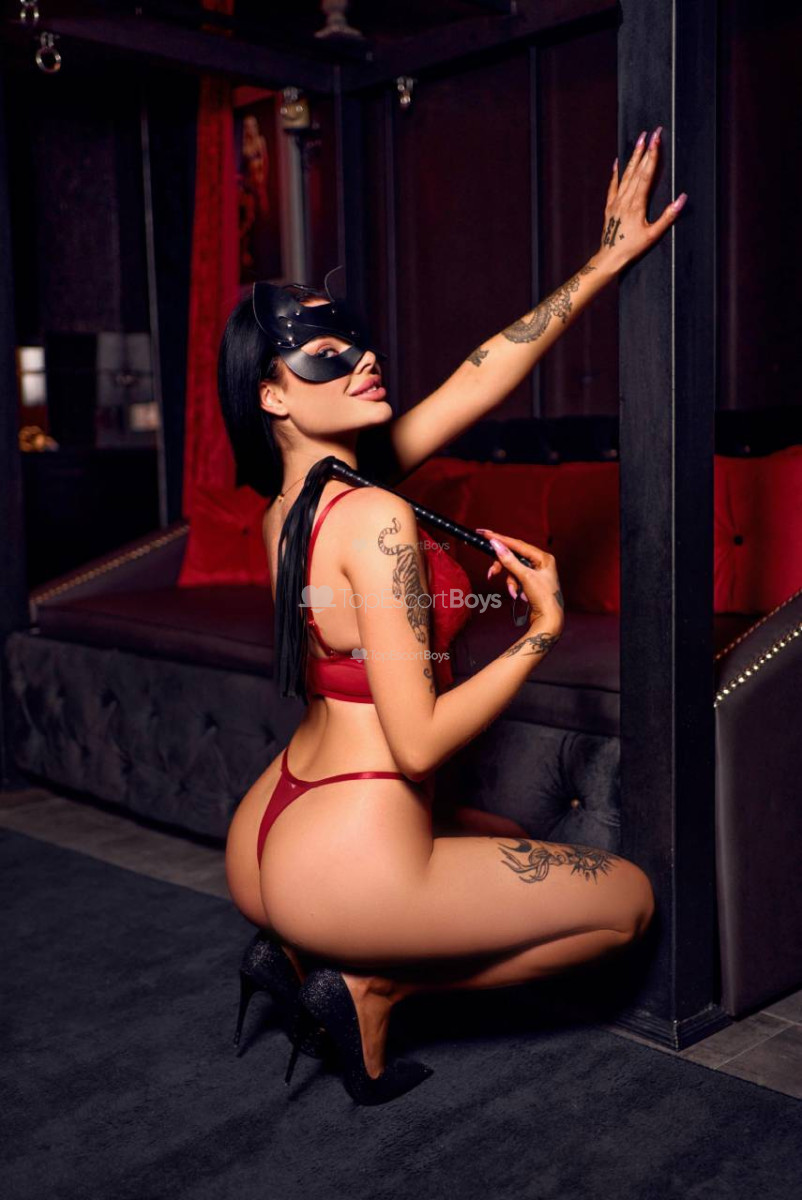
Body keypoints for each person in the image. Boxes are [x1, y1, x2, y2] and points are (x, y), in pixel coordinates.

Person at [222, 126, 685, 1105]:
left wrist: (603, 262)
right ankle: (373, 985)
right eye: (324, 358)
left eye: (357, 344)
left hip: (272, 831)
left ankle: (305, 959)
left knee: (493, 831)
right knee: (629, 906)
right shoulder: (375, 516)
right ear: (271, 396)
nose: (363, 359)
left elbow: (477, 375)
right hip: (348, 857)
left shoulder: (291, 505)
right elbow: (420, 742)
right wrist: (542, 630)